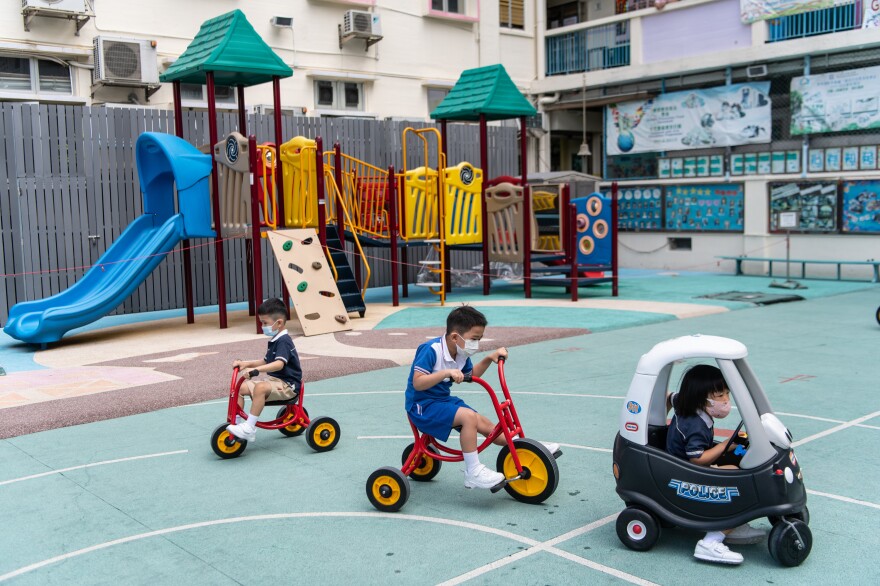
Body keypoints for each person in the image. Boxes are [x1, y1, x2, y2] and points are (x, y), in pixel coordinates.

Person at [405, 306, 559, 490]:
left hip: (442, 401)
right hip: (421, 406)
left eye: (479, 339)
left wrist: (489, 358)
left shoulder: (460, 353)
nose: (476, 344)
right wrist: (446, 372)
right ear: (455, 337)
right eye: (474, 339)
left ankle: (528, 447)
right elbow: (418, 383)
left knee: (485, 424)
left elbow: (472, 375)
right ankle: (473, 472)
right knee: (468, 417)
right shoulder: (432, 350)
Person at [666, 364, 766, 565]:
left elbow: (668, 396)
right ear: (700, 397)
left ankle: (733, 524)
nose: (726, 400)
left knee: (736, 457)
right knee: (738, 479)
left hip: (684, 463)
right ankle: (711, 541)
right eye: (720, 395)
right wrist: (723, 447)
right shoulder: (694, 425)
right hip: (687, 471)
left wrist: (660, 422)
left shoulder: (684, 402)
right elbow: (697, 459)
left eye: (726, 393)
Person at [226, 298, 302, 442]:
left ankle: (249, 428)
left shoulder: (284, 341)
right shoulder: (275, 339)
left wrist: (256, 371)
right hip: (275, 382)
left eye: (265, 323)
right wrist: (246, 364)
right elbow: (266, 361)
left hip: (288, 385)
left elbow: (279, 364)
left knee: (260, 387)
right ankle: (236, 422)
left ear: (278, 323)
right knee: (240, 387)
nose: (262, 326)